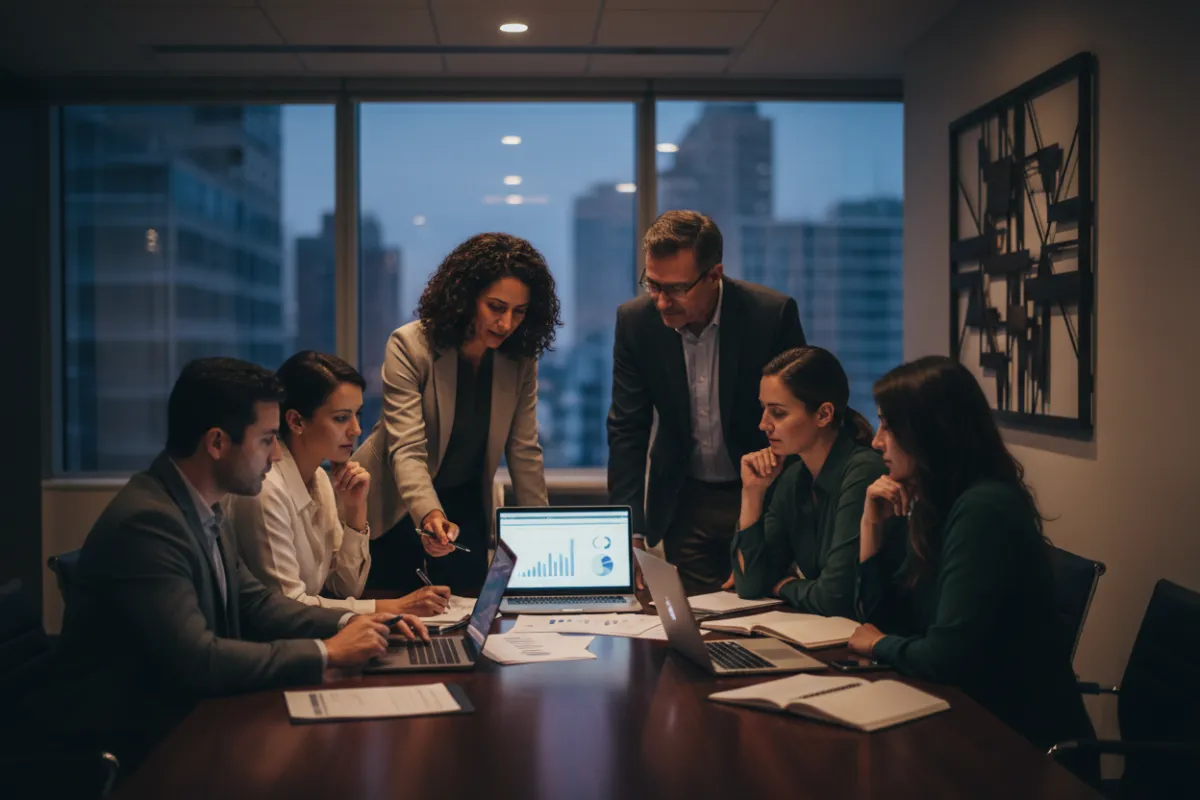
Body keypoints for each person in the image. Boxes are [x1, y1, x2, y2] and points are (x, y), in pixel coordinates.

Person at [45, 358, 429, 772]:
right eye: (266, 440)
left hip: (193, 716)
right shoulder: (150, 522)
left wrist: (348, 626)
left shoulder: (199, 505)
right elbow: (198, 659)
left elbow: (257, 603)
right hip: (141, 740)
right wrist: (326, 652)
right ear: (217, 443)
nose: (277, 453)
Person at [848, 356, 1095, 750]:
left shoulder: (983, 509)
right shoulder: (935, 503)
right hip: (965, 716)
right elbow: (881, 621)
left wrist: (879, 644)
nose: (877, 441)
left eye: (889, 426)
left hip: (1021, 743)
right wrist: (870, 527)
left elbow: (943, 657)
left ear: (931, 433)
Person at [608, 210, 806, 594]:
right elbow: (627, 428)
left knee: (758, 612)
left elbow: (800, 418)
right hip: (686, 501)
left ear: (714, 275)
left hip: (762, 492)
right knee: (695, 625)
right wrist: (628, 532)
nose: (662, 302)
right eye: (653, 285)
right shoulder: (636, 322)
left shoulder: (769, 315)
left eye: (676, 289)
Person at [353, 232, 557, 594]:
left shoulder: (519, 358)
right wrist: (430, 515)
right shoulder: (409, 346)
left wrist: (540, 538)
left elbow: (525, 451)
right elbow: (407, 449)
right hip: (397, 507)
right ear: (466, 298)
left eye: (520, 312)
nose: (507, 323)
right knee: (396, 629)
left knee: (468, 624)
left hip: (466, 507)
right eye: (496, 307)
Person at [230, 351, 450, 617]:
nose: (356, 429)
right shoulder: (267, 491)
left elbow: (345, 588)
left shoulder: (320, 479)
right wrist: (395, 606)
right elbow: (289, 608)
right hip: (278, 645)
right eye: (341, 418)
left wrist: (356, 512)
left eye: (357, 414)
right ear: (296, 421)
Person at [730, 347, 884, 616]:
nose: (763, 424)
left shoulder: (863, 471)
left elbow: (835, 597)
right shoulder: (794, 476)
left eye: (777, 413)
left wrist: (783, 586)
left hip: (871, 641)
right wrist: (752, 494)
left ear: (823, 414)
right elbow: (750, 584)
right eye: (763, 409)